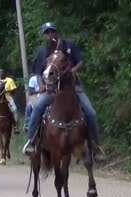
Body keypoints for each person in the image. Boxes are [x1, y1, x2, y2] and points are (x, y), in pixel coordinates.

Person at [22, 22, 105, 161]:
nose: (50, 35)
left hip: (73, 88)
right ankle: (30, 141)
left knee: (91, 112)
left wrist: (73, 70)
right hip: (52, 89)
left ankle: (96, 147)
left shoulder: (69, 45)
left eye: (52, 32)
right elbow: (37, 71)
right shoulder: (42, 51)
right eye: (47, 33)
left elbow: (81, 61)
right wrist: (41, 84)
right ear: (44, 35)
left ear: (56, 32)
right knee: (36, 108)